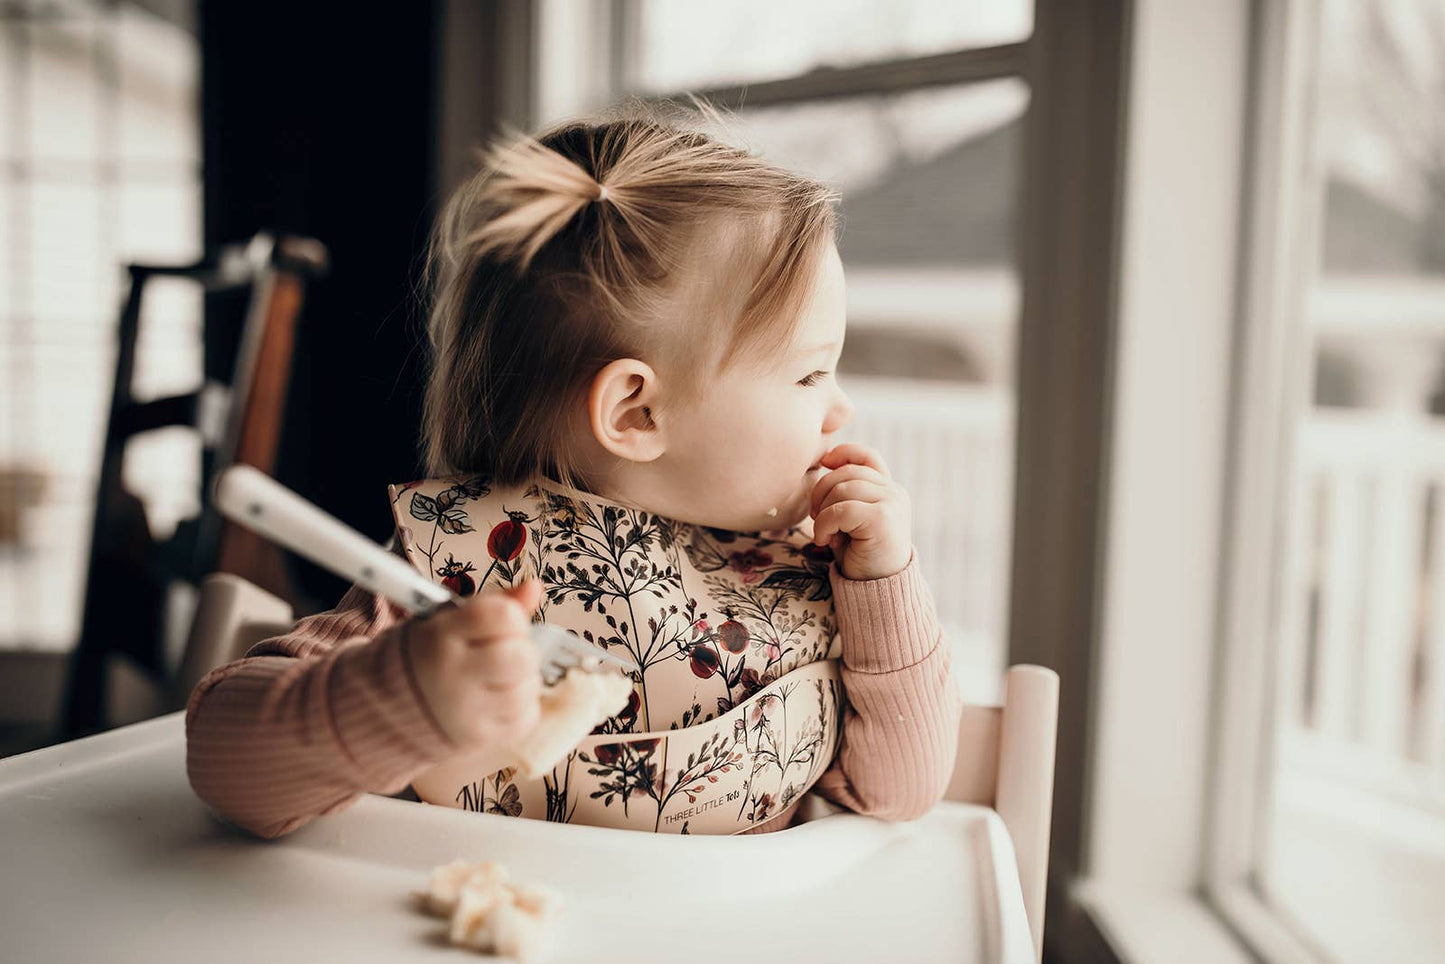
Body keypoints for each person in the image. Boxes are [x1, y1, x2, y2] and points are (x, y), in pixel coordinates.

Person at [185, 103, 962, 839]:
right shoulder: (468, 567)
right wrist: (395, 697)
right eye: (809, 374)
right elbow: (226, 768)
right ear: (637, 413)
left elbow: (898, 793)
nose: (840, 408)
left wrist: (884, 585)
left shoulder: (811, 574)